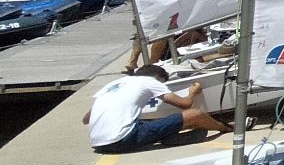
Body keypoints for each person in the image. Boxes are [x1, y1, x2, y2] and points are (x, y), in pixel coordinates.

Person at [83, 65, 231, 154]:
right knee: (195, 114)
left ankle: (170, 135)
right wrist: (193, 92)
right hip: (121, 139)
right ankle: (224, 127)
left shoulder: (113, 85)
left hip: (98, 144)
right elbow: (185, 104)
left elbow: (86, 119)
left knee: (152, 123)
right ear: (158, 77)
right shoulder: (150, 81)